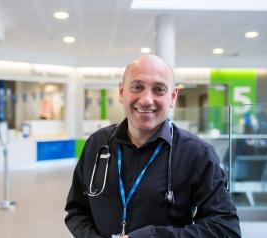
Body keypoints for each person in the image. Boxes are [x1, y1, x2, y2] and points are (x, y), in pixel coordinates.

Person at [65, 55, 241, 238]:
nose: (147, 99)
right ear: (121, 92)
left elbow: (225, 229)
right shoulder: (97, 144)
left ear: (172, 97)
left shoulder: (197, 154)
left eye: (159, 90)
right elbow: (77, 211)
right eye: (137, 87)